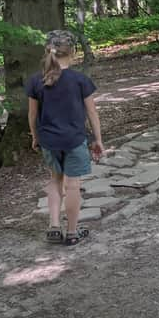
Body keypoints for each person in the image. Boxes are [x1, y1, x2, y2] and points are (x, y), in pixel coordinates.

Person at [26, 30, 104, 245]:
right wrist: (98, 140)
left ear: (47, 50)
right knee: (72, 185)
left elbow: (32, 115)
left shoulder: (36, 81)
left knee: (55, 181)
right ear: (73, 51)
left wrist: (35, 136)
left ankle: (53, 226)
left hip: (49, 141)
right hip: (75, 140)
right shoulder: (80, 80)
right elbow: (92, 113)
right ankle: (72, 232)